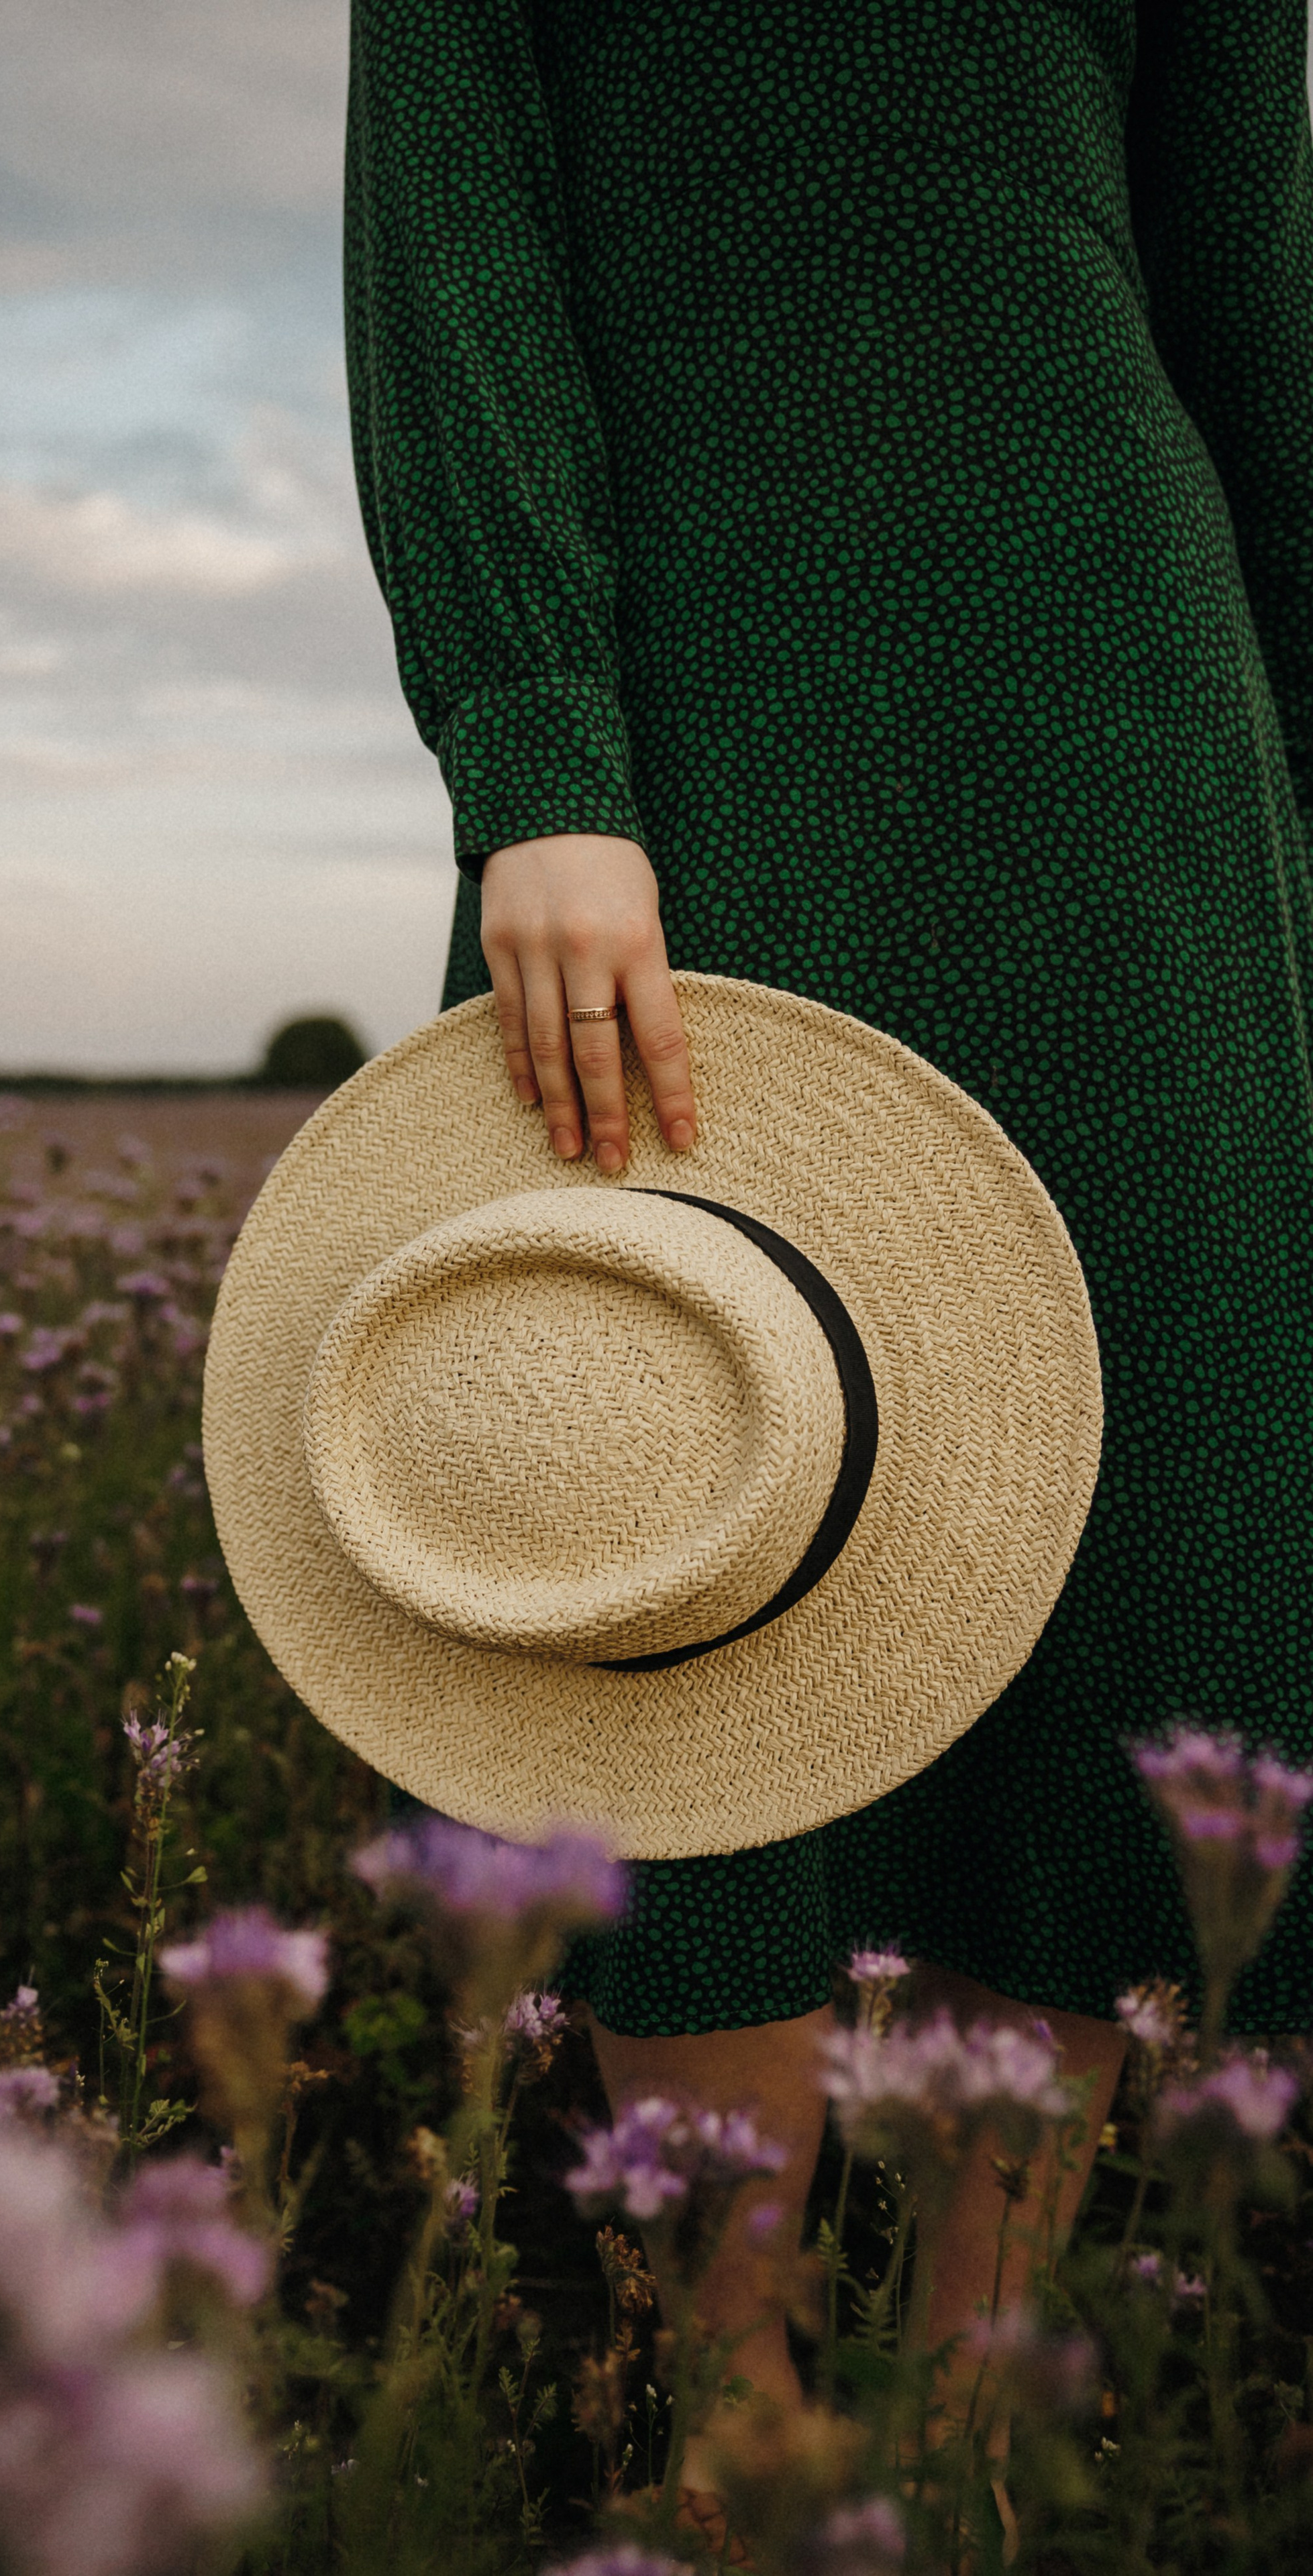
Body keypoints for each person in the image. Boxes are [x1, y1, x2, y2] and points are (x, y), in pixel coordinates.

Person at [342, 0, 1313, 2530]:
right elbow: (452, 243)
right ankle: (733, 2402)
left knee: (1125, 1528)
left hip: (1133, 728)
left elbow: (1257, 310)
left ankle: (988, 2404)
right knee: (668, 1507)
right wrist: (537, 750)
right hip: (697, 722)